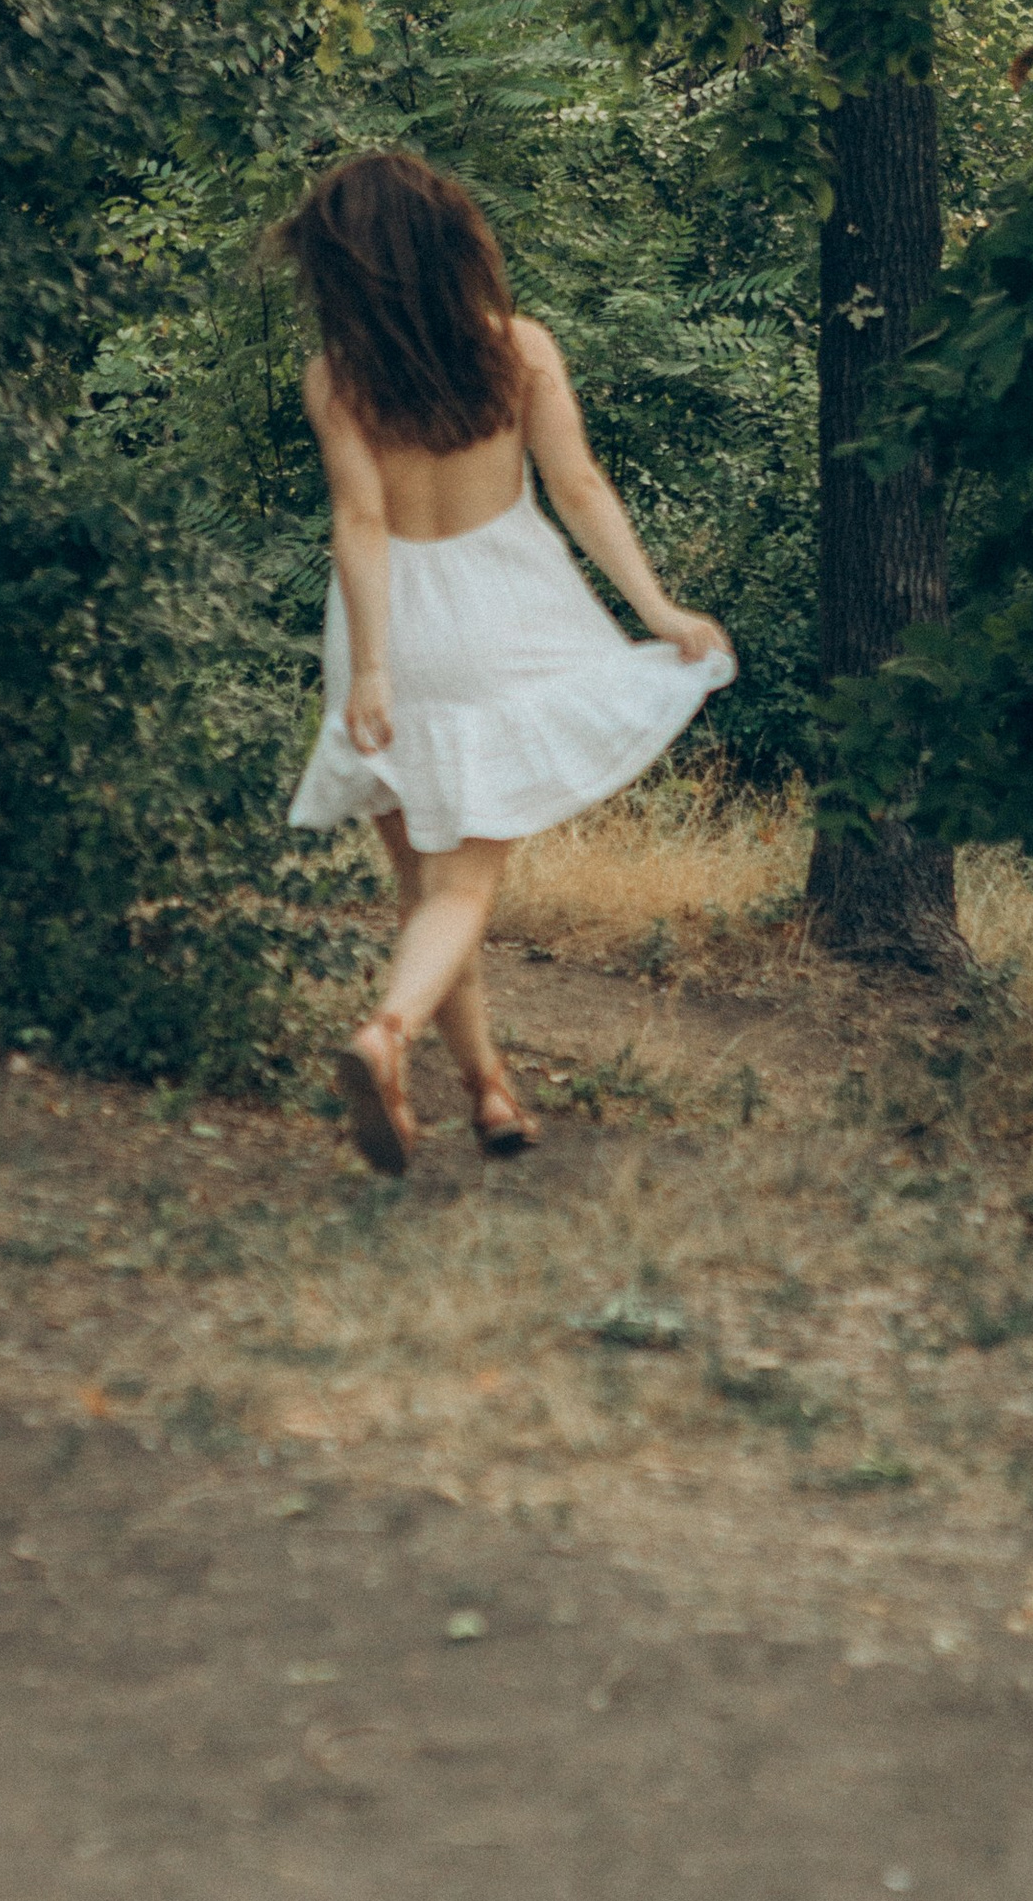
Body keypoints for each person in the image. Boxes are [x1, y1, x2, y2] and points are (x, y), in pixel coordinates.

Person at [275, 147, 734, 1176]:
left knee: (424, 889)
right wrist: (657, 608)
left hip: (387, 621)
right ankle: (389, 1034)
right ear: (448, 241)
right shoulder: (519, 349)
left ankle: (488, 1094)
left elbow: (358, 520)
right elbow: (577, 486)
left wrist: (372, 672)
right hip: (498, 622)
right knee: (462, 889)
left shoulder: (337, 378)